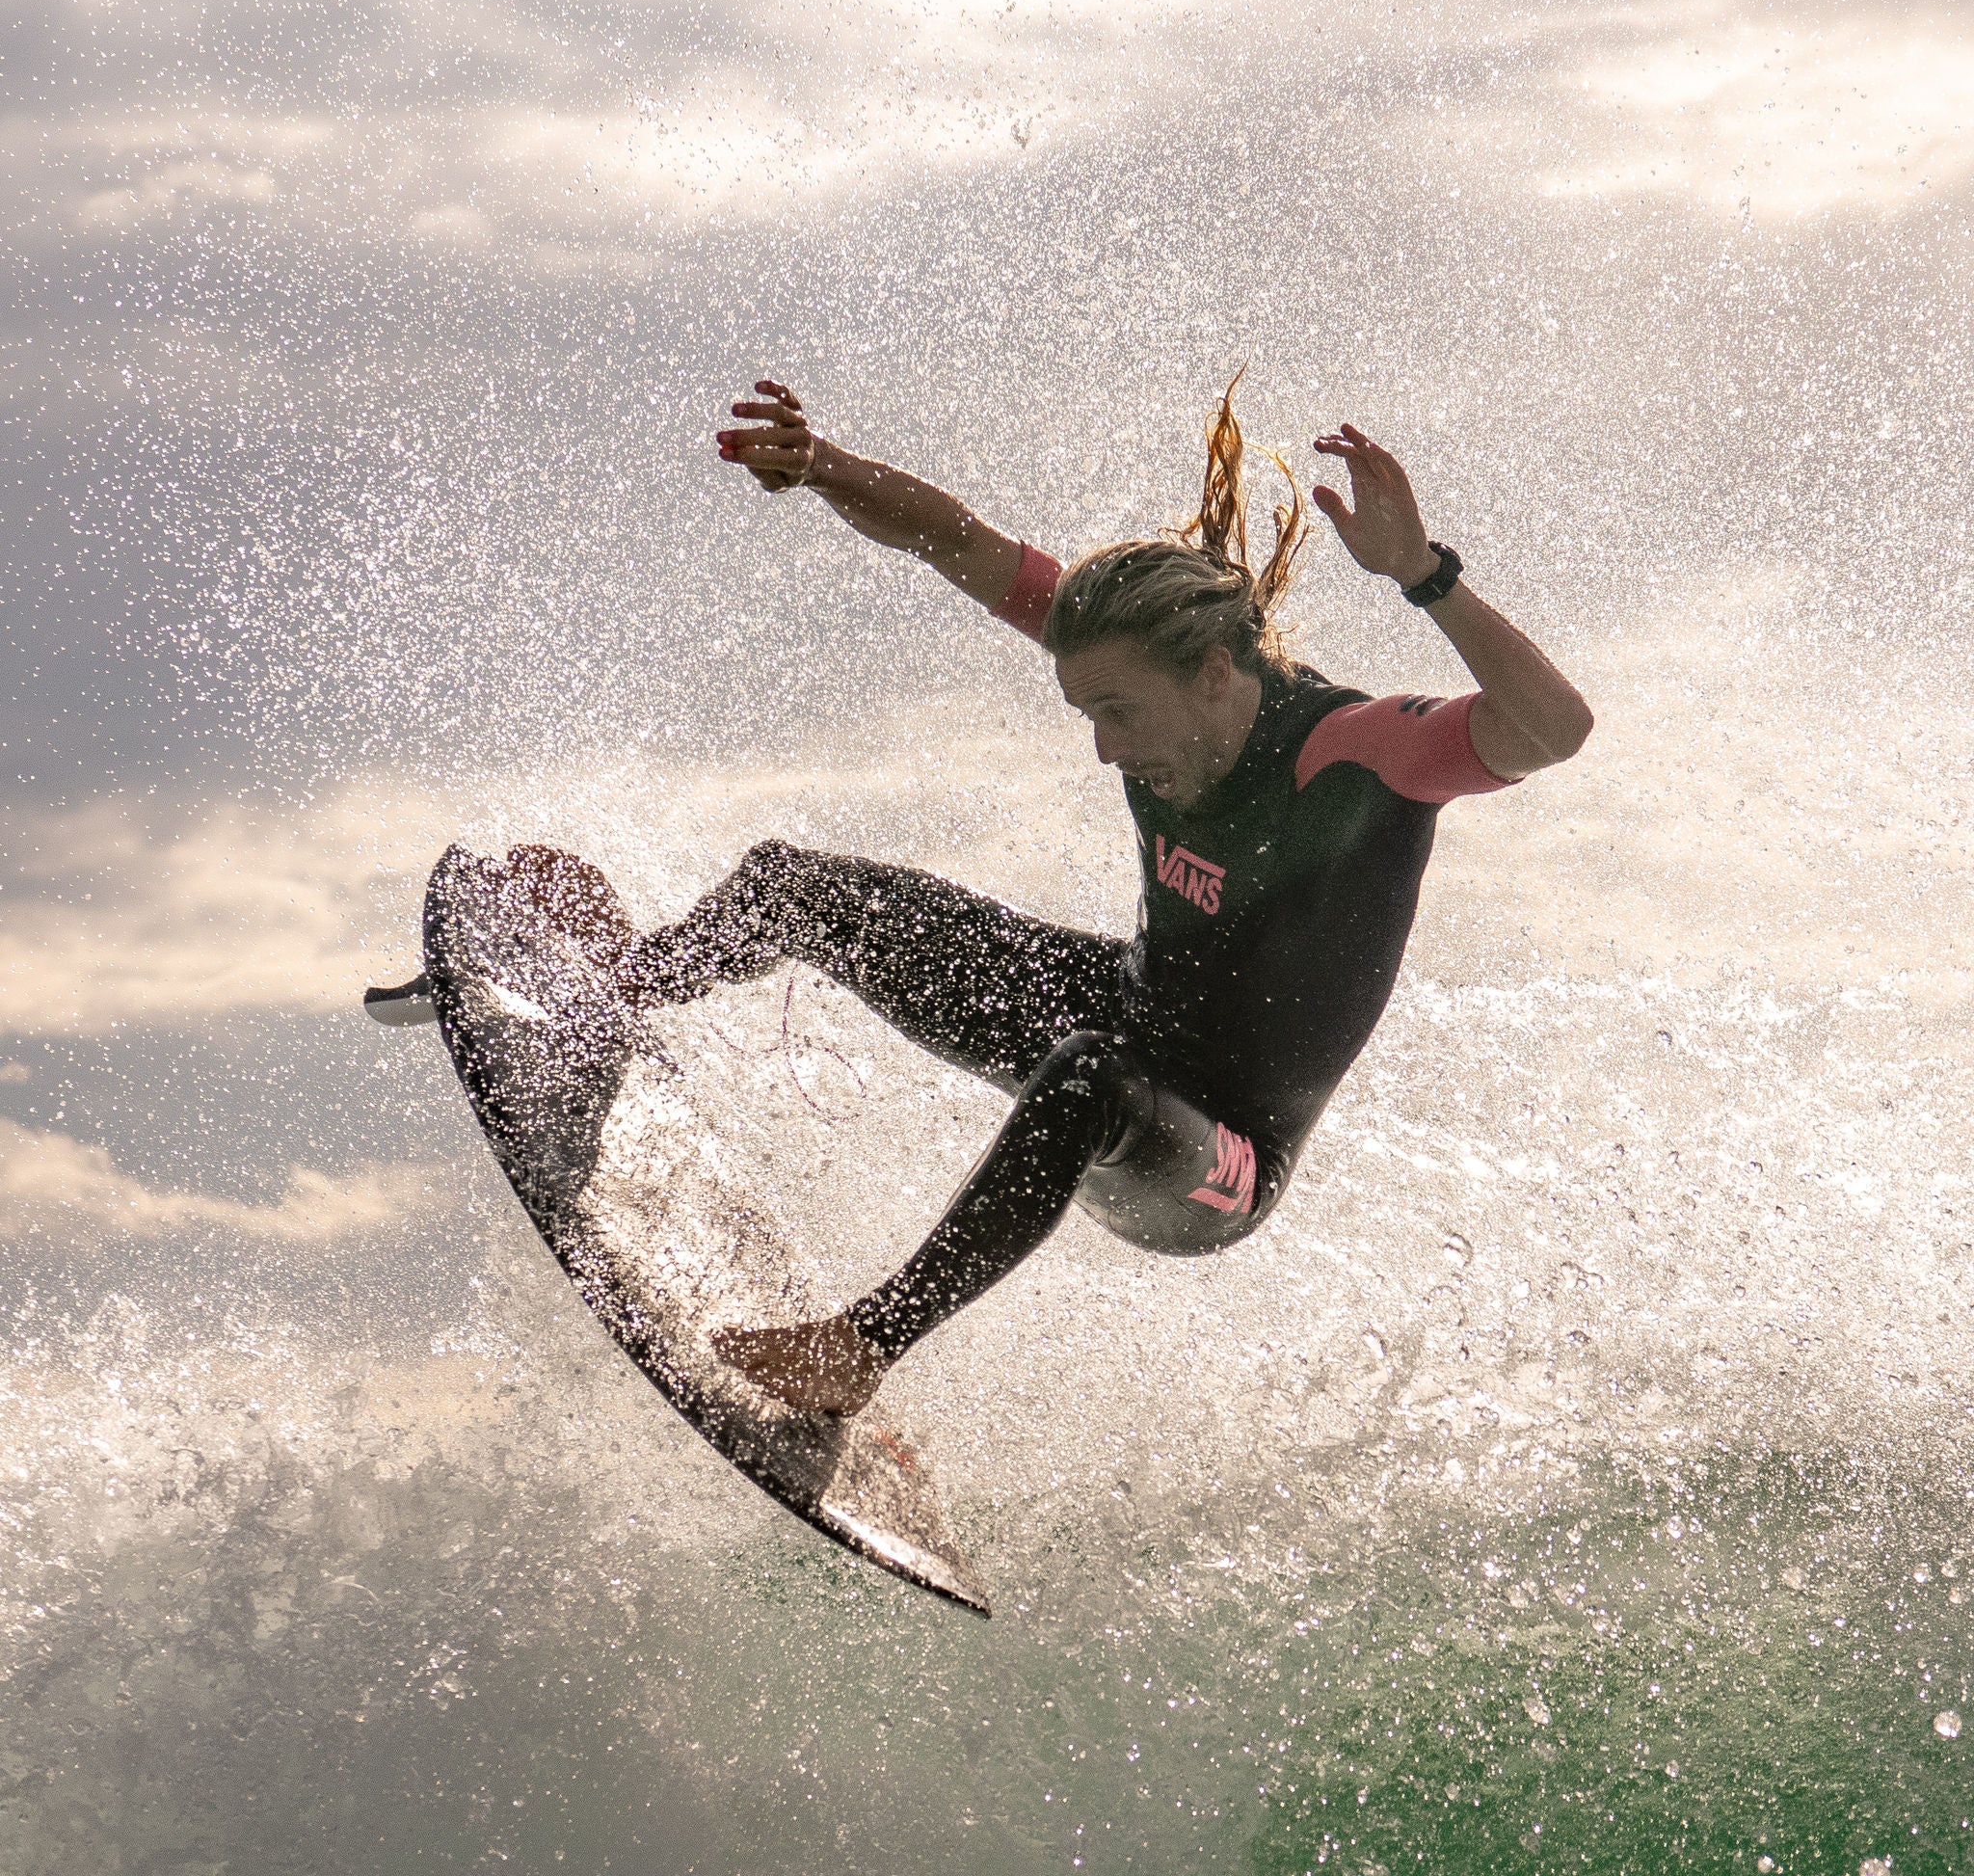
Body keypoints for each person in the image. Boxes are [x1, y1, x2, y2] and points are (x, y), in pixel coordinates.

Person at [379, 376, 1592, 1417]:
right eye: (1085, 713)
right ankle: (606, 1003)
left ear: (1219, 676)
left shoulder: (1350, 752)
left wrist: (1423, 577)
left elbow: (1553, 729)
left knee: (1080, 1081)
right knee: (792, 887)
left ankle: (854, 1353)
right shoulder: (1139, 665)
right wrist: (826, 467)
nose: (1107, 753)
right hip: (1120, 1008)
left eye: (1119, 714)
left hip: (1210, 1152)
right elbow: (954, 541)